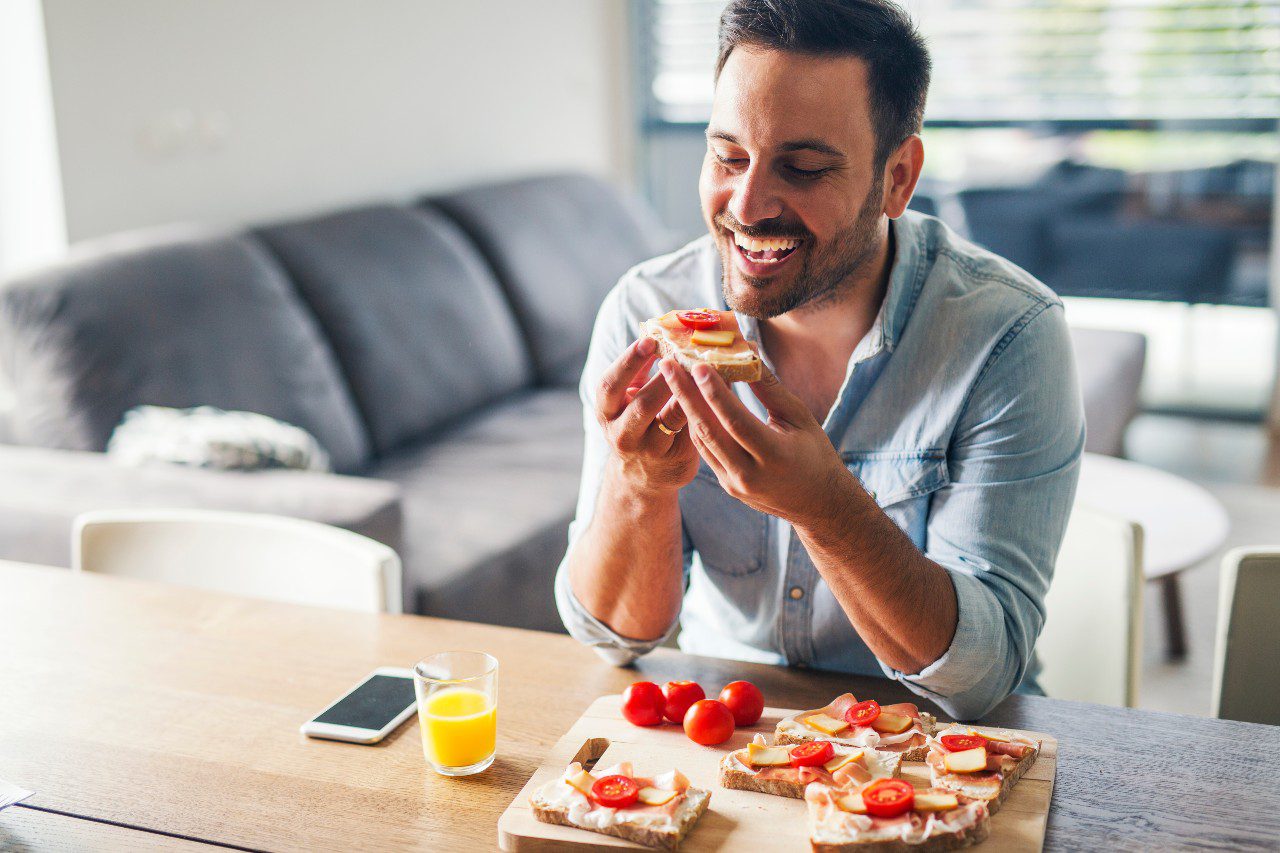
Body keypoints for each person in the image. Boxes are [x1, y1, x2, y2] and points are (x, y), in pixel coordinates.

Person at [555, 0, 1084, 720]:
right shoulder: (645, 312)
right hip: (730, 725)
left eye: (801, 168)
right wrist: (639, 487)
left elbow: (982, 676)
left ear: (898, 176)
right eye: (728, 155)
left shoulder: (1010, 337)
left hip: (932, 750)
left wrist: (822, 504)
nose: (747, 205)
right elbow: (609, 635)